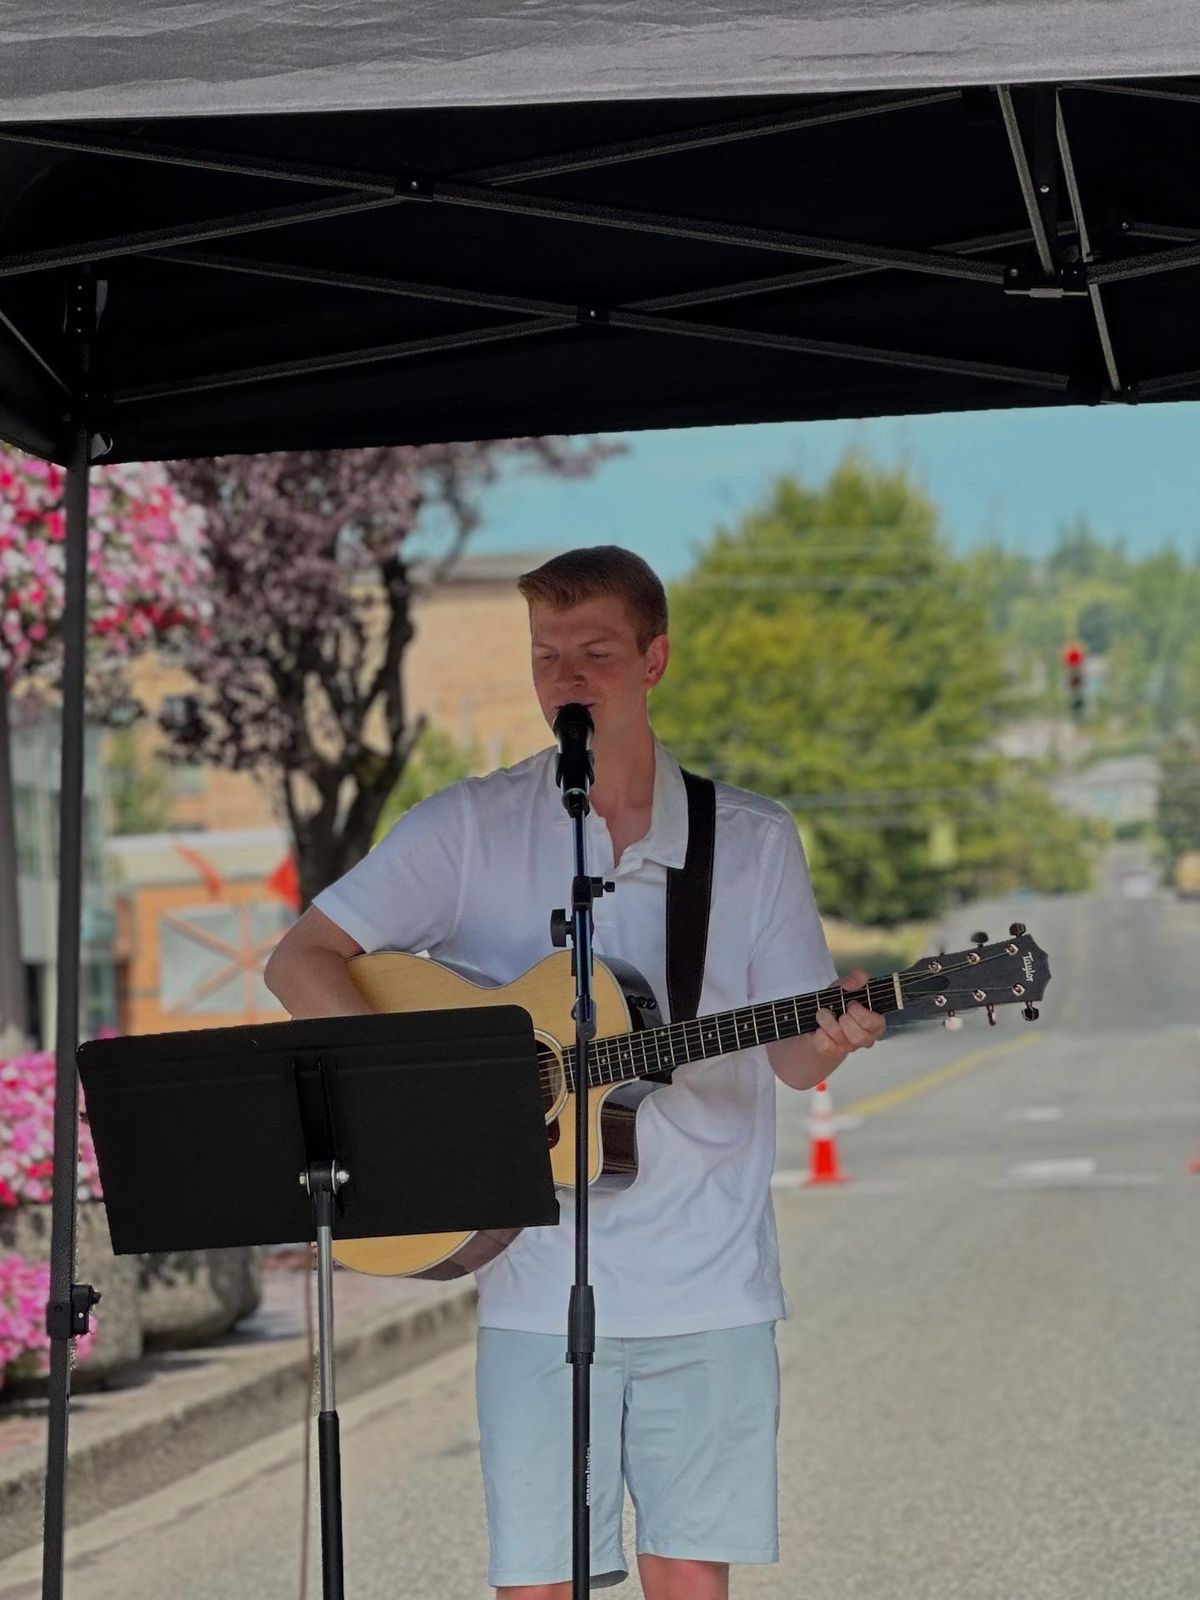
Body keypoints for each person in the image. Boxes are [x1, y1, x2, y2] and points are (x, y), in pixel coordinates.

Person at [264, 546, 886, 1600]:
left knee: (688, 1579)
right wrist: (416, 1084)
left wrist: (833, 1035)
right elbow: (301, 959)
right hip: (533, 1284)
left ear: (654, 659)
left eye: (596, 652)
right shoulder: (472, 826)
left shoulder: (750, 841)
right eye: (546, 655)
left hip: (709, 1277)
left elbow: (790, 1059)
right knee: (538, 1587)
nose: (567, 678)